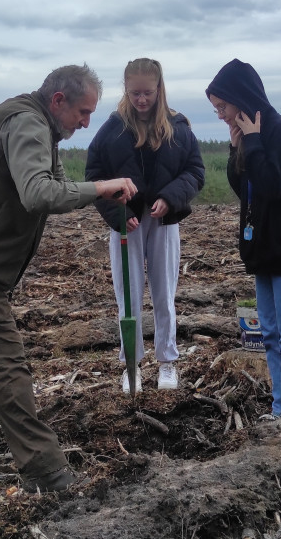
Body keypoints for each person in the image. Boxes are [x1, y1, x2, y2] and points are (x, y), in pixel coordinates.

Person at [0, 65, 137, 493]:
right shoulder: (26, 123)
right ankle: (47, 471)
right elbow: (38, 193)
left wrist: (96, 191)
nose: (86, 123)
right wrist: (99, 187)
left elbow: (54, 185)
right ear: (58, 101)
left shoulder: (40, 127)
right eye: (83, 112)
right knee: (3, 359)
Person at [206, 59, 281, 425]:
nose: (222, 115)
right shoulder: (250, 137)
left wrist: (253, 142)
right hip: (265, 254)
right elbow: (245, 190)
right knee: (271, 336)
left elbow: (273, 186)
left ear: (240, 98)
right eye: (217, 110)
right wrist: (236, 149)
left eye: (223, 107)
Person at [86, 58, 205, 392]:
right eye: (135, 92)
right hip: (127, 223)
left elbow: (195, 172)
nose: (141, 99)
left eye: (148, 93)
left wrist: (170, 198)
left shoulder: (178, 126)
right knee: (129, 295)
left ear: (159, 88)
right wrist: (119, 214)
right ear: (125, 89)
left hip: (163, 220)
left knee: (165, 294)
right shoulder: (112, 129)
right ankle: (131, 367)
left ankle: (167, 362)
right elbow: (95, 178)